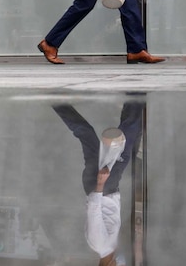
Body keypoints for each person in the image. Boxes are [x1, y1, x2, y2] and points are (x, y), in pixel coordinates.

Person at [52, 101, 144, 266]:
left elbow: (93, 212)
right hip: (102, 187)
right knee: (86, 134)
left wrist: (100, 183)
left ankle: (136, 97)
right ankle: (57, 103)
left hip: (103, 187)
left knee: (125, 142)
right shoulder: (109, 247)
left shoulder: (99, 244)